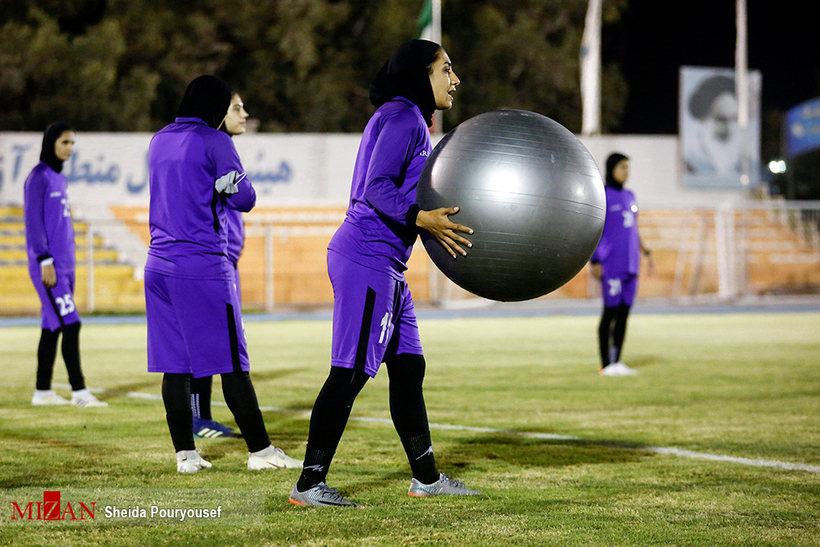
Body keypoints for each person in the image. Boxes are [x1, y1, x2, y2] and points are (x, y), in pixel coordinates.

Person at [289, 40, 479, 508]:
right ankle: (308, 484)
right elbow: (376, 188)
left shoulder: (409, 117)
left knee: (409, 367)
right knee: (350, 373)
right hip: (367, 258)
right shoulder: (403, 117)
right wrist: (422, 218)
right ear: (420, 74)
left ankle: (426, 479)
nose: (454, 80)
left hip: (389, 265)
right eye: (445, 70)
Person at [145, 75, 301, 473]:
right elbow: (246, 199)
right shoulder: (217, 142)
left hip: (158, 265)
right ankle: (261, 452)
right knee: (232, 363)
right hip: (202, 267)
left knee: (175, 367)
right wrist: (225, 185)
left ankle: (185, 455)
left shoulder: (159, 139)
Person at [24, 122, 107, 408]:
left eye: (72, 143)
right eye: (65, 143)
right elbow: (34, 223)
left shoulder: (59, 179)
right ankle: (80, 392)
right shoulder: (38, 178)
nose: (70, 148)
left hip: (65, 266)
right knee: (72, 324)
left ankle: (43, 391)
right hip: (49, 267)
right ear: (51, 143)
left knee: (52, 327)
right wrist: (44, 259)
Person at [189, 92, 249, 439]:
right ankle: (198, 419)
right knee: (213, 345)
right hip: (214, 265)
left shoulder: (221, 150)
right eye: (236, 108)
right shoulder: (213, 151)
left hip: (225, 264)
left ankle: (201, 419)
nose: (244, 114)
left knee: (219, 344)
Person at [589, 153, 653, 376]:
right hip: (611, 264)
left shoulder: (630, 196)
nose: (627, 171)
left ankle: (617, 361)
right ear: (611, 169)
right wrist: (594, 260)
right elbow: (593, 231)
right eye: (622, 167)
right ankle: (606, 364)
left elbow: (632, 228)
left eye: (628, 167)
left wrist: (644, 249)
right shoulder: (602, 196)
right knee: (610, 313)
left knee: (624, 314)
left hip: (630, 264)